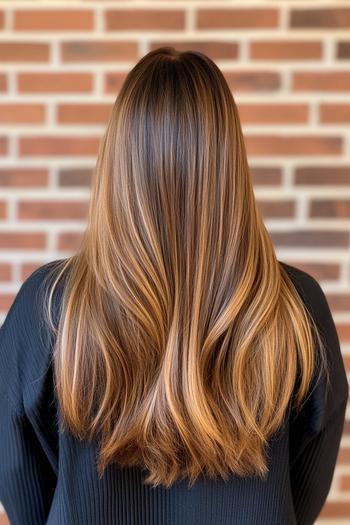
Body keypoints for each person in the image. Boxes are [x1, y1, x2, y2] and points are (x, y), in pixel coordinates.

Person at [0, 47, 348, 525]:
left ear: (117, 165)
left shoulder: (47, 309)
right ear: (229, 167)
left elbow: (25, 497)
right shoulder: (296, 307)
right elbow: (302, 496)